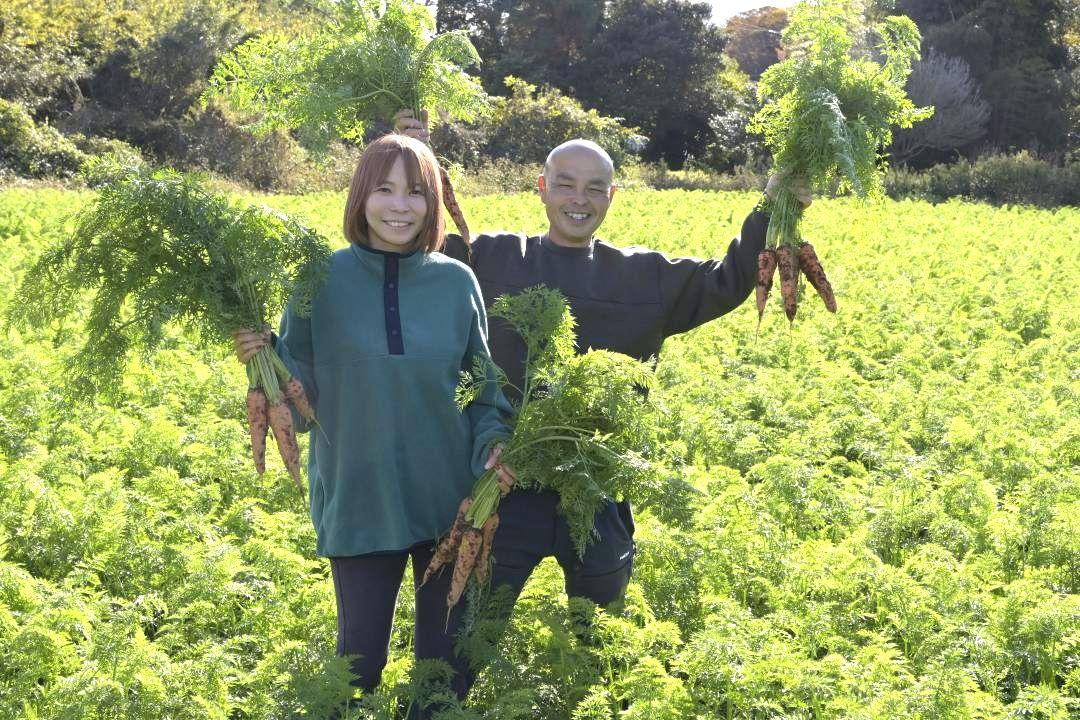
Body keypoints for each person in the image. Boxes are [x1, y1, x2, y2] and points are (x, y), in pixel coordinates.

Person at [394, 111, 812, 621]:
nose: (579, 199)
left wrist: (775, 204)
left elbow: (729, 280)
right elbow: (412, 244)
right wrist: (413, 162)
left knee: (600, 642)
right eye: (565, 185)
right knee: (462, 635)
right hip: (498, 486)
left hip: (598, 488)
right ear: (542, 189)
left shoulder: (643, 275)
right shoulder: (489, 259)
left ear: (611, 197)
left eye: (595, 188)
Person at [232, 134, 514, 714]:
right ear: (360, 196)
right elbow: (300, 404)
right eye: (384, 189)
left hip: (448, 502)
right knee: (358, 663)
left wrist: (493, 444)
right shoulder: (319, 281)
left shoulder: (457, 283)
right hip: (360, 494)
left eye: (415, 191)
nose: (399, 205)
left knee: (442, 669)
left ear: (433, 202)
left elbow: (483, 390)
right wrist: (267, 365)